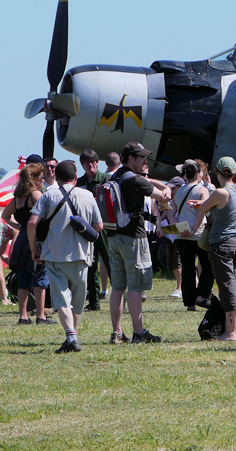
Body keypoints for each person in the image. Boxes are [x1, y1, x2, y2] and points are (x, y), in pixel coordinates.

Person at [26, 160, 104, 353]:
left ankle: (71, 336)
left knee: (61, 299)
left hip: (55, 254)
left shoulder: (48, 196)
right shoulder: (87, 195)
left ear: (57, 178)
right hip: (82, 254)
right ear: (76, 177)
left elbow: (32, 222)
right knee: (78, 300)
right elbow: (99, 227)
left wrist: (33, 247)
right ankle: (72, 335)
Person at [107, 142, 171, 345]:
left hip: (114, 237)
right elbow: (163, 197)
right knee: (135, 287)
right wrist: (166, 189)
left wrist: (149, 179)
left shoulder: (115, 176)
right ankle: (139, 332)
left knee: (118, 287)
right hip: (134, 238)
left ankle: (117, 333)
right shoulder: (136, 181)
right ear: (130, 159)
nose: (146, 160)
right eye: (141, 157)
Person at [184, 156, 236, 341]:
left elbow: (203, 209)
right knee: (230, 286)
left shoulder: (221, 192)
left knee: (226, 289)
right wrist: (203, 204)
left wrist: (200, 205)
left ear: (217, 172)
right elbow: (212, 206)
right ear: (234, 173)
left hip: (222, 245)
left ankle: (230, 333)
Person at [1, 163, 52, 325]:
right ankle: (41, 315)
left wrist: (19, 226)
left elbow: (6, 215)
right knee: (40, 277)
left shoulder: (18, 197)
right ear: (35, 179)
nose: (43, 180)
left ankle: (23, 316)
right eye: (41, 177)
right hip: (35, 238)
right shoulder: (36, 196)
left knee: (23, 277)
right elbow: (46, 217)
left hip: (22, 238)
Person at [167, 159, 213, 311]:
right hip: (198, 234)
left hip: (182, 235)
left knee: (187, 268)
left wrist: (180, 228)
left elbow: (171, 212)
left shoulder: (179, 190)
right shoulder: (202, 190)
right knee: (207, 265)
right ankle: (202, 294)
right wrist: (193, 229)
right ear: (198, 174)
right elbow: (203, 210)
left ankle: (189, 302)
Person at [76, 149, 111, 310]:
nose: (92, 165)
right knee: (90, 264)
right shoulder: (79, 183)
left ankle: (121, 300)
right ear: (82, 165)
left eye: (94, 161)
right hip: (86, 228)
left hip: (103, 226)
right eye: (88, 162)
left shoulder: (107, 179)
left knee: (111, 262)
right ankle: (94, 301)